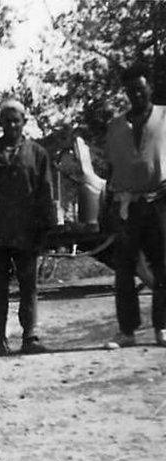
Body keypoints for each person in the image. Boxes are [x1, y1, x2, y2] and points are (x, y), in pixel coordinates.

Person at [0, 99, 55, 356]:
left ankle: (30, 337)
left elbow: (45, 193)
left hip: (27, 232)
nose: (11, 125)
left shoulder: (37, 154)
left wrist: (46, 229)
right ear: (0, 123)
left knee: (29, 285)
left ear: (24, 122)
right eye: (6, 121)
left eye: (16, 120)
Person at [105, 63, 166, 348]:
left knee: (163, 266)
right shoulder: (116, 127)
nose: (137, 95)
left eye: (141, 89)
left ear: (149, 87)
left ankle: (162, 327)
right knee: (125, 267)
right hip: (128, 206)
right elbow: (110, 169)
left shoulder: (165, 117)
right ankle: (127, 331)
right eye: (131, 91)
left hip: (159, 202)